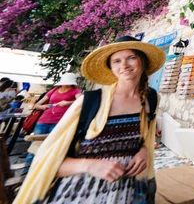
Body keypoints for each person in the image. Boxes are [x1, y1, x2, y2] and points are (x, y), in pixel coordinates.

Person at [15, 36, 165, 204]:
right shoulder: (89, 102)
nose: (124, 65)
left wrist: (144, 150)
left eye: (131, 58)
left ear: (142, 62)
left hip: (127, 193)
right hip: (79, 194)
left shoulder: (151, 98)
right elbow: (45, 161)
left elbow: (146, 135)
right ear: (111, 67)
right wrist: (90, 165)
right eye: (116, 61)